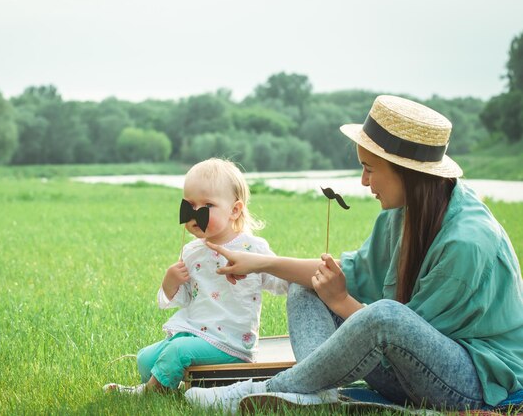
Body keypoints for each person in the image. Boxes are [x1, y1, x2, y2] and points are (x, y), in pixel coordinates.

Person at [185, 95, 523, 413]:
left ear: (406, 171)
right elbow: (348, 273)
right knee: (308, 285)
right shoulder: (408, 212)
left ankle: (265, 389)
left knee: (385, 316)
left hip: (468, 382)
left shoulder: (465, 243)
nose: (363, 181)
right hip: (407, 366)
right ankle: (318, 393)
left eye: (370, 169)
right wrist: (263, 263)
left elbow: (401, 337)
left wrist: (343, 302)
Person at [104, 158, 289, 394]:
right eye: (190, 205)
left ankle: (148, 393)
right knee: (144, 359)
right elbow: (184, 299)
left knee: (177, 351)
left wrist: (305, 279)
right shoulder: (192, 251)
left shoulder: (251, 248)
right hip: (195, 332)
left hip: (231, 344)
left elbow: (279, 281)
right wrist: (170, 283)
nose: (194, 214)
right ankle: (169, 383)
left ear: (234, 210)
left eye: (207, 205)